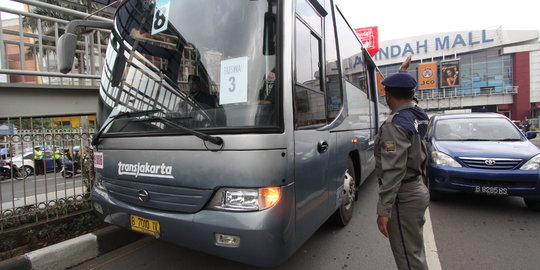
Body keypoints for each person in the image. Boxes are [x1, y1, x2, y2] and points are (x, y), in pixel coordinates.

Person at [375, 56, 430, 270]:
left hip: (404, 197)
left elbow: (394, 171)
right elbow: (408, 98)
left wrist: (384, 210)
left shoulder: (395, 124)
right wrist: (403, 73)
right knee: (414, 251)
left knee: (408, 258)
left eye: (386, 93)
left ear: (388, 95)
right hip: (417, 188)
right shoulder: (418, 114)